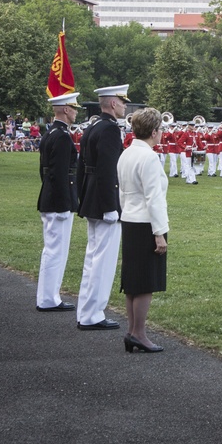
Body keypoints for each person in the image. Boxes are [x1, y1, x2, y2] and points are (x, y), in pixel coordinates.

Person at [75, 84, 129, 331]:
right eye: (123, 101)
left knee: (92, 257)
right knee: (102, 261)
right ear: (114, 103)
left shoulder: (93, 126)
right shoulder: (109, 130)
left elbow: (82, 166)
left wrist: (83, 197)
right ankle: (93, 314)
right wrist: (111, 205)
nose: (125, 106)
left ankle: (86, 311)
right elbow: (108, 170)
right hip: (103, 200)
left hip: (91, 198)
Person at [117, 108, 170, 353]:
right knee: (145, 282)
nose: (161, 134)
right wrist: (159, 232)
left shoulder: (126, 153)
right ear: (153, 131)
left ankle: (132, 331)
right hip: (145, 223)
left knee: (133, 282)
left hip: (129, 220)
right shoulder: (148, 157)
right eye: (160, 130)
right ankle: (139, 333)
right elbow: (153, 197)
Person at [36, 92, 82, 312]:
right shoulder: (62, 136)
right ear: (65, 109)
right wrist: (65, 204)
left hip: (50, 198)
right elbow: (60, 174)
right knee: (56, 251)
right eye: (73, 108)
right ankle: (48, 299)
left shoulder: (51, 133)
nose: (75, 112)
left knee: (52, 250)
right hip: (58, 202)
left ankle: (48, 297)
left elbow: (44, 172)